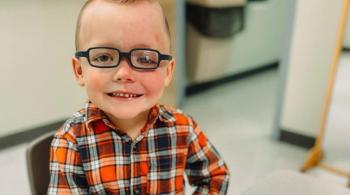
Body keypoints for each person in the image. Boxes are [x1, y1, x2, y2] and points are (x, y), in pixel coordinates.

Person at [48, 0, 230, 194]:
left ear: (167, 72)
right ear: (79, 70)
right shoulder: (70, 142)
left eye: (144, 59)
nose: (124, 73)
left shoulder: (183, 128)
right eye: (103, 57)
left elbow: (215, 176)